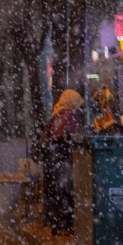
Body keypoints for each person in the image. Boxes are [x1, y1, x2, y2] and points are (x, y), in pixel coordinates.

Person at [44, 89, 83, 235]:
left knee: (58, 188)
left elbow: (51, 129)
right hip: (64, 150)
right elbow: (73, 131)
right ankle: (65, 222)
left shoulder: (57, 111)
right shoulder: (68, 113)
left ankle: (56, 223)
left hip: (54, 151)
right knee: (66, 188)